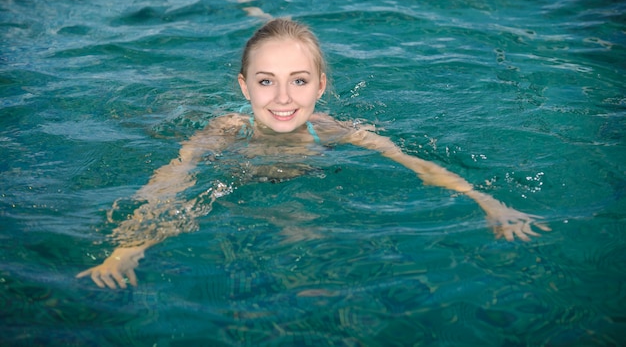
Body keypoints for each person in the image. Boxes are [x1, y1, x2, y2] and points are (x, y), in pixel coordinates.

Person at [77, 18, 550, 289]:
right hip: (243, 174)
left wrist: (489, 202)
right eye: (267, 82)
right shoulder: (225, 130)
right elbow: (174, 181)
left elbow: (419, 166)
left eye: (298, 81)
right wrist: (127, 251)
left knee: (304, 236)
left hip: (300, 174)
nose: (283, 99)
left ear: (320, 86)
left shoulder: (336, 131)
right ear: (244, 86)